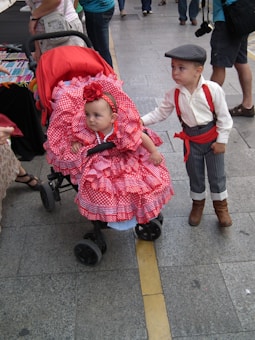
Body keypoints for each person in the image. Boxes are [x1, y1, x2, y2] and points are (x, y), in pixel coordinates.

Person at [44, 74, 174, 230]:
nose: (91, 119)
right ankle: (111, 214)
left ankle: (137, 209)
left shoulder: (122, 127)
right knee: (103, 188)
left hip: (124, 157)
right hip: (100, 162)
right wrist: (76, 144)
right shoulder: (85, 129)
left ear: (113, 118)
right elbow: (75, 136)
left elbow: (141, 136)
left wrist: (153, 152)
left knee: (139, 182)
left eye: (96, 115)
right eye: (87, 114)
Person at [141, 44, 233, 228]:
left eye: (181, 68)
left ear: (198, 70)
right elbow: (160, 112)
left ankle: (221, 207)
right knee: (195, 175)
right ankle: (197, 204)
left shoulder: (212, 90)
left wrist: (222, 141)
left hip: (212, 140)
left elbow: (225, 118)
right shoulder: (174, 93)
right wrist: (140, 121)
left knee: (217, 176)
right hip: (191, 142)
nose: (175, 72)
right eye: (173, 67)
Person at [210, 0, 254, 117]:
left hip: (227, 18)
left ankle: (208, 108)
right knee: (241, 61)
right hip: (241, 16)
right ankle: (248, 105)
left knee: (219, 65)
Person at [79, 0, 114, 67]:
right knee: (101, 48)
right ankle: (108, 73)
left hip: (97, 10)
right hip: (103, 8)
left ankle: (109, 75)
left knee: (102, 50)